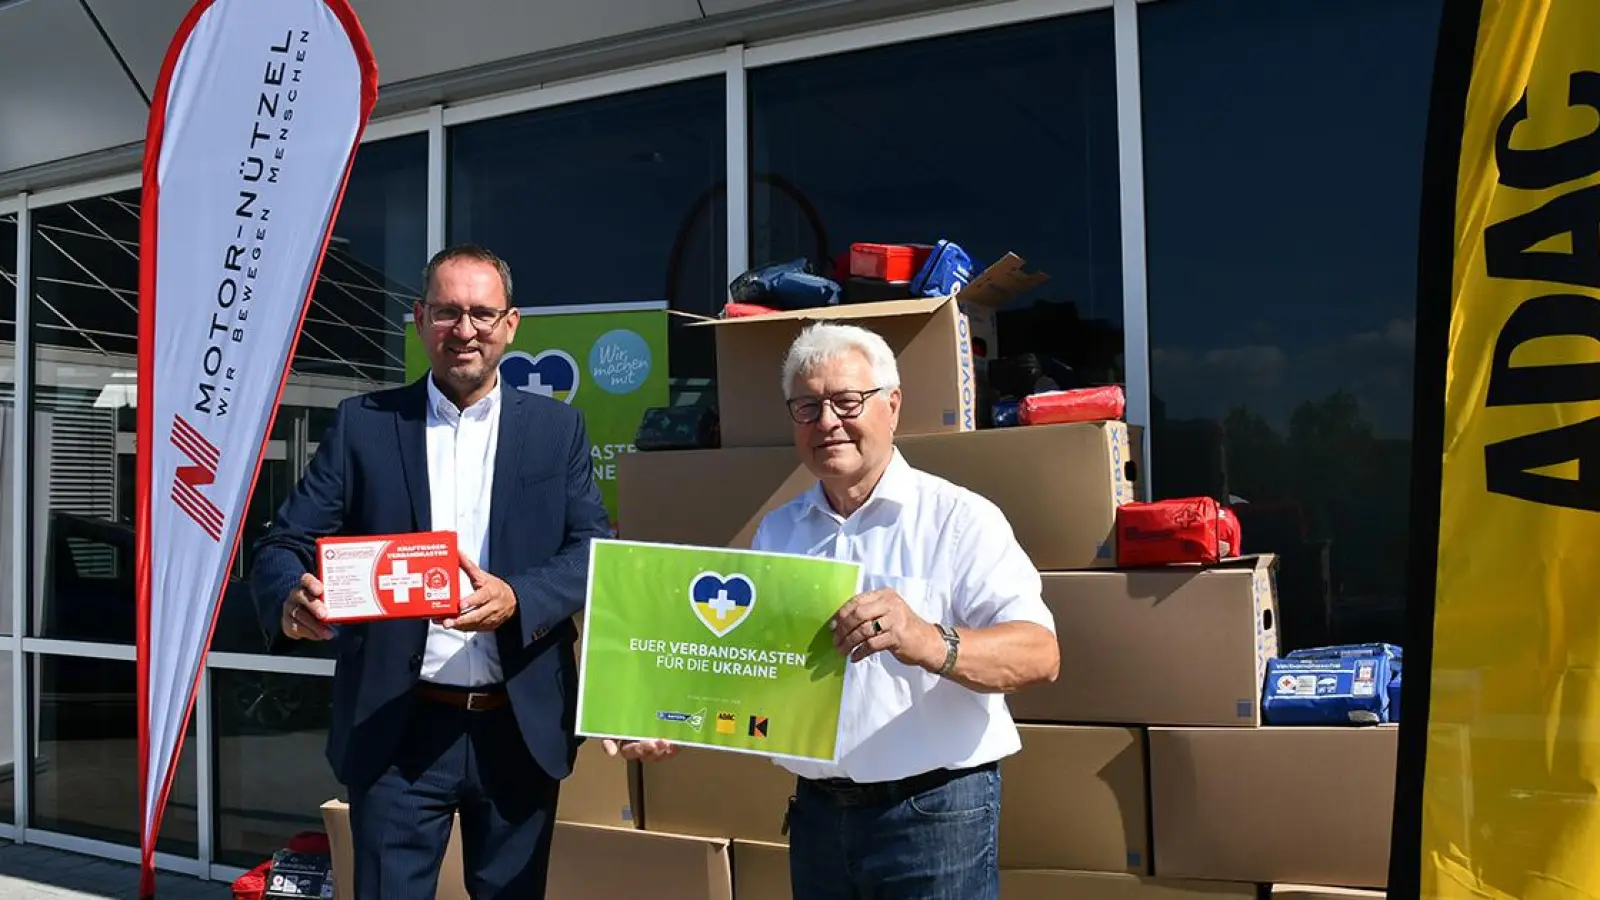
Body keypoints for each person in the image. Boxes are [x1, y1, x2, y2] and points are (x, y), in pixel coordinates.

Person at [608, 321, 1061, 899]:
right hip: (819, 814)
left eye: (847, 401)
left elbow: (1040, 655)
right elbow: (747, 672)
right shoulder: (780, 531)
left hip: (934, 812)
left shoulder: (959, 519)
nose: (827, 423)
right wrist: (664, 718)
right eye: (807, 407)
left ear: (892, 406)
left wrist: (928, 640)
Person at [250, 244, 611, 899]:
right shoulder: (366, 426)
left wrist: (518, 596)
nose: (464, 330)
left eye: (481, 313)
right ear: (419, 320)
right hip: (400, 728)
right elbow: (284, 544)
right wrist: (288, 600)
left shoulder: (558, 431)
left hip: (518, 727)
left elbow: (593, 551)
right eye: (447, 313)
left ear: (511, 323)